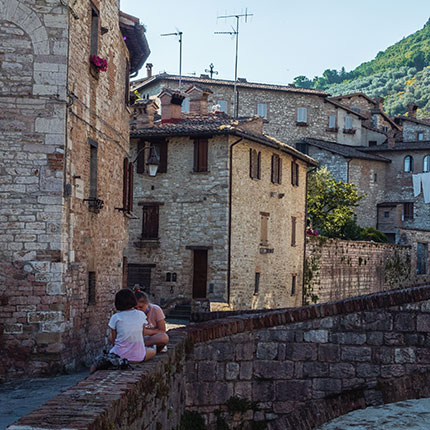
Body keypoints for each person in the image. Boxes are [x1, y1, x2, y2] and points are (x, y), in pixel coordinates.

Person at [90, 289, 155, 373]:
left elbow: (114, 340)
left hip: (119, 354)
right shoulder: (141, 315)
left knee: (95, 364)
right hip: (138, 356)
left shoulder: (115, 317)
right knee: (153, 351)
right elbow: (141, 334)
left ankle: (89, 377)